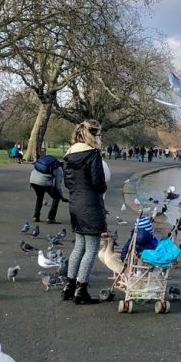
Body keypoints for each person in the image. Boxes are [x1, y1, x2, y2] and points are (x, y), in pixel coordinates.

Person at [61, 120, 111, 306]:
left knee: (78, 248)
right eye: (99, 135)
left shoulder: (68, 155)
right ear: (93, 135)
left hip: (75, 204)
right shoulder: (92, 155)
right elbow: (98, 182)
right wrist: (103, 187)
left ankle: (69, 286)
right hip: (90, 205)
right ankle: (81, 291)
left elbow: (68, 183)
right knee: (91, 249)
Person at [30, 154, 64, 224]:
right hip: (44, 181)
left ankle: (36, 216)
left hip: (33, 180)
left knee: (39, 197)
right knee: (56, 198)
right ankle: (51, 218)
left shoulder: (44, 163)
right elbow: (58, 187)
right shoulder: (59, 169)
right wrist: (61, 196)